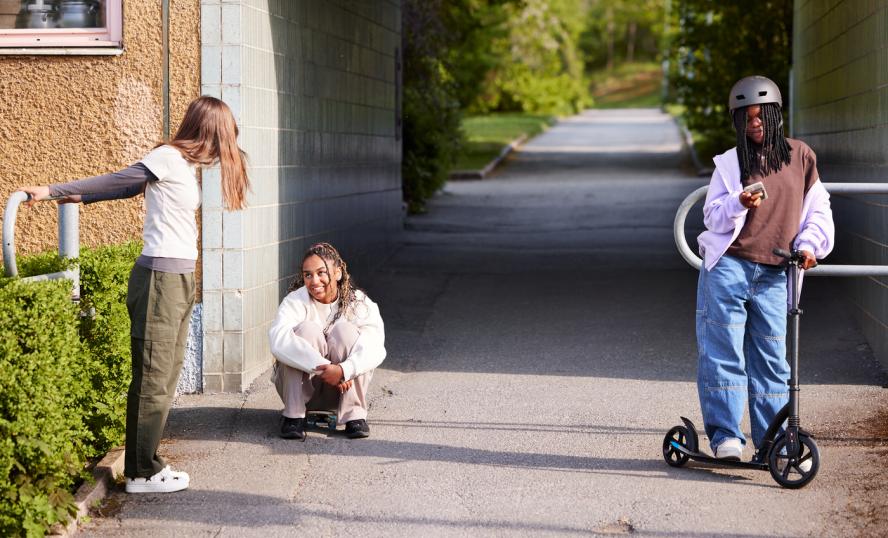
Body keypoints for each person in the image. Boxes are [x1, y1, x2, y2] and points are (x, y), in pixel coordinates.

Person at [20, 96, 250, 493]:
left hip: (177, 279)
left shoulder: (182, 165)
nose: (222, 149)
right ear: (207, 130)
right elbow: (123, 179)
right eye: (221, 137)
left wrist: (84, 197)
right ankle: (141, 473)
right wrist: (55, 189)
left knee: (167, 373)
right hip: (160, 280)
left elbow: (131, 189)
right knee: (153, 378)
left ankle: (148, 463)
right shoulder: (167, 156)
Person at [695, 75, 834, 461]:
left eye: (761, 116)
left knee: (772, 359)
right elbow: (712, 217)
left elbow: (818, 213)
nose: (754, 124)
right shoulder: (729, 162)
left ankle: (773, 441)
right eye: (745, 118)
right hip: (728, 269)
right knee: (723, 354)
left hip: (775, 274)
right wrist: (738, 202)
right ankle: (726, 438)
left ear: (775, 115)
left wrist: (808, 246)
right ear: (737, 122)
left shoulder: (800, 156)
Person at [268, 242, 386, 441]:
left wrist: (344, 370)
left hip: (342, 390)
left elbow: (376, 347)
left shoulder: (359, 304)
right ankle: (293, 417)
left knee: (345, 331)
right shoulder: (295, 301)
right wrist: (328, 368)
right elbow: (278, 340)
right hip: (304, 391)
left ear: (338, 273)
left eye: (321, 272)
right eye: (308, 274)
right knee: (306, 330)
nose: (314, 281)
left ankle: (354, 416)